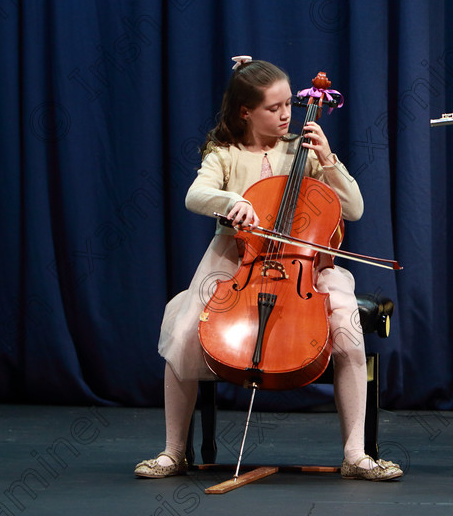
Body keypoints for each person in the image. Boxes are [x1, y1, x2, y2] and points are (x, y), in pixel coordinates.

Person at [134, 57, 402, 481]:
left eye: (288, 106)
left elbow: (353, 209)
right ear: (246, 112)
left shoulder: (304, 152)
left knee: (347, 332)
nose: (285, 115)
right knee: (184, 332)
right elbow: (195, 195)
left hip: (307, 269)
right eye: (273, 108)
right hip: (235, 260)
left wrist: (328, 160)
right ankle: (172, 452)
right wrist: (231, 202)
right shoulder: (224, 153)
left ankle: (355, 454)